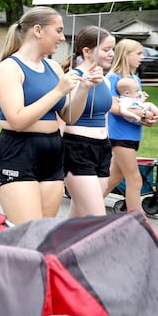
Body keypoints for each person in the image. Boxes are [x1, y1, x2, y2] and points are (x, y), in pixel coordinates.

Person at [0, 6, 101, 224]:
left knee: (43, 232)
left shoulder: (53, 67)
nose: (62, 38)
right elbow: (17, 119)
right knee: (27, 233)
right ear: (38, 30)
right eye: (58, 30)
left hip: (52, 151)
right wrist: (58, 91)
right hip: (18, 151)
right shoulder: (9, 68)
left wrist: (84, 89)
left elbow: (69, 116)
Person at [60, 26, 116, 217]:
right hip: (78, 149)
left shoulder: (106, 81)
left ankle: (60, 246)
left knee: (79, 217)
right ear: (87, 51)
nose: (111, 54)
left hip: (102, 148)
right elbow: (65, 118)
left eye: (113, 49)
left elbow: (106, 116)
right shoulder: (73, 78)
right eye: (106, 49)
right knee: (97, 218)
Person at [105, 39, 158, 212]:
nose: (142, 57)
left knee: (114, 177)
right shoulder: (113, 79)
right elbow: (114, 107)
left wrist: (147, 119)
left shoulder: (135, 79)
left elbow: (137, 107)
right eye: (139, 53)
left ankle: (87, 209)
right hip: (119, 135)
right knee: (135, 179)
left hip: (132, 134)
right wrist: (144, 114)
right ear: (126, 55)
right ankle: (136, 222)